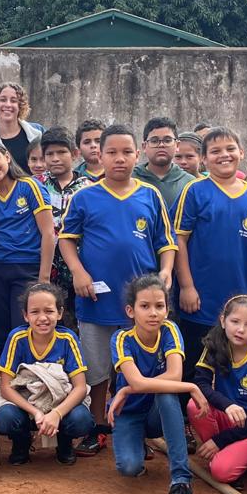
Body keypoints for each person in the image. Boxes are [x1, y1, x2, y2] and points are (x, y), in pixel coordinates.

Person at [58, 124, 176, 453]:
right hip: (96, 299)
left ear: (137, 154)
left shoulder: (149, 195)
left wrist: (166, 271)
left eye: (126, 152)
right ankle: (98, 427)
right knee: (97, 370)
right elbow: (66, 240)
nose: (119, 158)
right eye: (112, 152)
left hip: (140, 305)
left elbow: (166, 242)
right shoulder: (85, 196)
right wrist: (78, 272)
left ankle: (136, 427)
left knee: (137, 367)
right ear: (99, 155)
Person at [107, 274, 205, 494]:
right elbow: (138, 381)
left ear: (167, 309)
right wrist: (190, 387)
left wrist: (127, 389)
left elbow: (174, 375)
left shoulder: (170, 329)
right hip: (129, 412)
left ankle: (181, 483)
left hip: (157, 412)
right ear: (131, 311)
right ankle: (138, 442)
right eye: (145, 306)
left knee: (166, 392)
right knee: (129, 468)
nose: (153, 313)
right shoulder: (121, 338)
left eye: (159, 306)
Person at [173, 127, 247, 375]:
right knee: (195, 366)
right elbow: (179, 240)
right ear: (204, 159)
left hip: (241, 298)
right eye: (215, 151)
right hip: (201, 299)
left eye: (230, 149)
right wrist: (186, 286)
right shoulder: (194, 190)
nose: (224, 155)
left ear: (242, 152)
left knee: (234, 367)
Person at [0, 282, 94, 466]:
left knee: (81, 420)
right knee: (5, 417)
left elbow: (80, 388)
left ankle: (64, 442)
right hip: (26, 402)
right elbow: (6, 388)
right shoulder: (17, 338)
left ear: (60, 313)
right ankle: (21, 441)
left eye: (49, 311)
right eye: (34, 312)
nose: (42, 318)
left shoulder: (68, 339)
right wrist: (36, 412)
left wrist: (56, 414)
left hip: (59, 401)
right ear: (25, 315)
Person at [0, 139, 55, 349]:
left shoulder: (30, 187)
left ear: (7, 157)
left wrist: (43, 280)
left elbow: (48, 233)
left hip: (27, 269)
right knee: (1, 334)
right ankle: (6, 369)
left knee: (24, 331)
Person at [188, 294, 247, 484]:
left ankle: (232, 454)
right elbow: (200, 383)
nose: (241, 329)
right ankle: (224, 453)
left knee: (221, 473)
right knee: (194, 405)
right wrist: (227, 405)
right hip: (228, 416)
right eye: (235, 321)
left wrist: (220, 440)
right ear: (223, 321)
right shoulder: (215, 344)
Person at [39, 127, 92, 329]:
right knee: (48, 319)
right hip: (45, 266)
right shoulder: (37, 185)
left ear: (75, 154)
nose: (55, 158)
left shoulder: (89, 187)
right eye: (50, 154)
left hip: (80, 266)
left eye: (61, 152)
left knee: (78, 322)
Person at [133, 116, 192, 210]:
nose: (161, 145)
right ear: (144, 146)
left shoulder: (190, 183)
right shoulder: (131, 179)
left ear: (177, 145)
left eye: (167, 140)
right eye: (154, 141)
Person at [0, 83, 43, 172]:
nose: (8, 104)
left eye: (13, 101)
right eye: (3, 100)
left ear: (20, 106)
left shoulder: (38, 131)